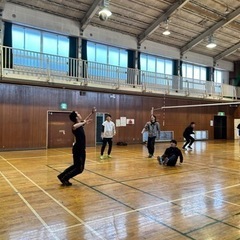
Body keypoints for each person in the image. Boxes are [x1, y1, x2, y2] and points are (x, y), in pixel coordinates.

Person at [57, 111, 92, 186]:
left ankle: (61, 176)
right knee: (79, 169)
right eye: (78, 114)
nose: (80, 114)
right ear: (76, 117)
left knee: (75, 165)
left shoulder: (80, 125)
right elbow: (75, 126)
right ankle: (65, 178)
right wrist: (84, 122)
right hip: (79, 149)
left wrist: (90, 114)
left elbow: (83, 121)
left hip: (79, 149)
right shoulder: (75, 126)